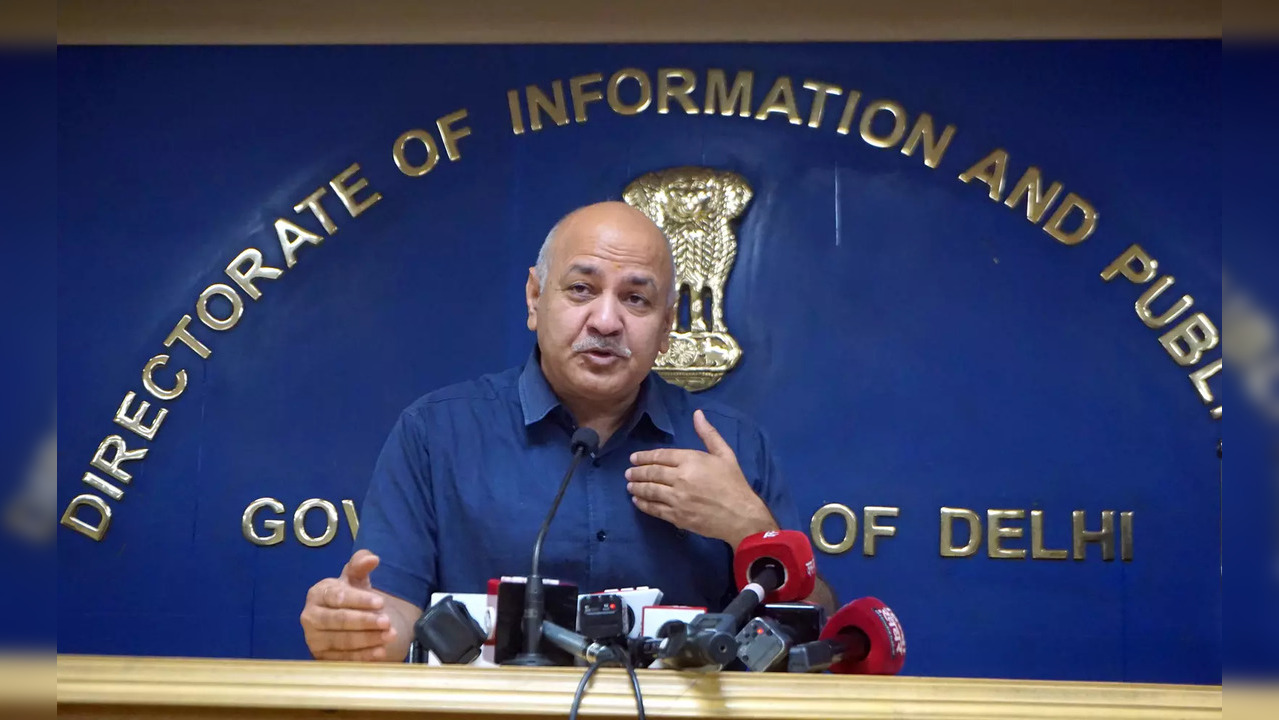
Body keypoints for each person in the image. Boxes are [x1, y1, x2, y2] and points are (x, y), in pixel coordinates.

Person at [300, 201, 835, 661]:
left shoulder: (732, 447)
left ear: (668, 327)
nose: (605, 321)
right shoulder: (437, 434)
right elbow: (391, 616)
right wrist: (356, 627)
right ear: (536, 299)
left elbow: (820, 638)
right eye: (581, 289)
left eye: (636, 299)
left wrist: (752, 532)